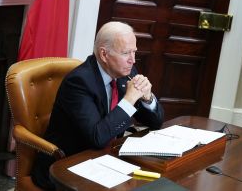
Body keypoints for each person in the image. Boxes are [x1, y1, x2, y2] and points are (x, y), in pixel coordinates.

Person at [31, 21, 165, 189]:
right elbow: (97, 138)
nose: (132, 60)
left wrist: (147, 99)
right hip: (67, 166)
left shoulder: (125, 72)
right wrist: (129, 100)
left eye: (134, 52)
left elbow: (156, 122)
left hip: (106, 160)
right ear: (104, 55)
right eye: (125, 53)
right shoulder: (79, 82)